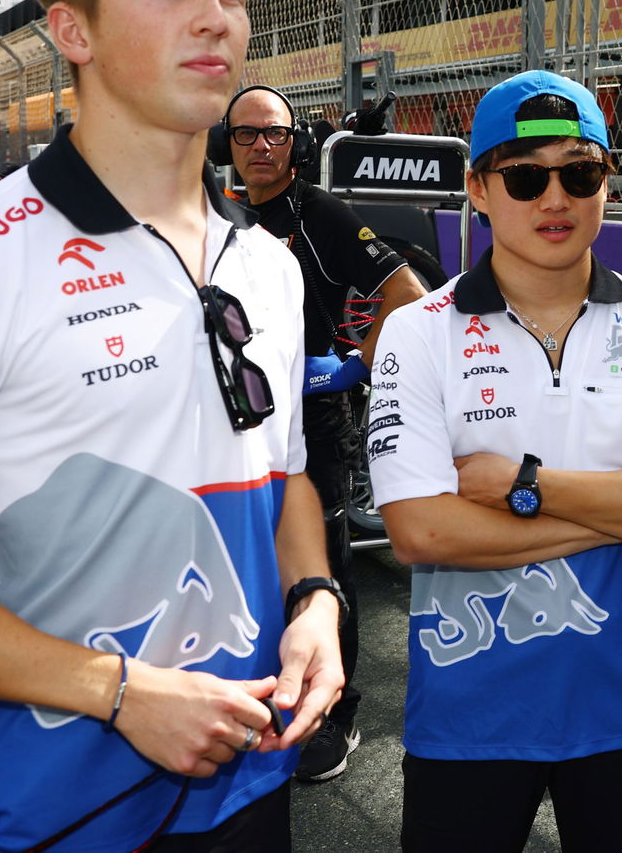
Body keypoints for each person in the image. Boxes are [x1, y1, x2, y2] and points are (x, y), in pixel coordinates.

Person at [0, 0, 343, 852]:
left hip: (249, 789)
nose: (214, 17)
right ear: (70, 32)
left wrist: (317, 600)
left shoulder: (267, 267)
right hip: (49, 815)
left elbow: (283, 474)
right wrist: (119, 693)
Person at [367, 69, 622, 852]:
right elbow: (422, 533)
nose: (555, 198)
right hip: (467, 721)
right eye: (527, 177)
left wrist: (524, 487)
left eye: (580, 172)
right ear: (478, 189)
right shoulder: (418, 332)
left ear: (607, 179)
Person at [222, 82, 426, 782]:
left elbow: (410, 297)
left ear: (298, 145)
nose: (260, 146)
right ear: (226, 145)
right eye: (245, 135)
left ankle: (336, 715)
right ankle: (266, 695)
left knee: (326, 572)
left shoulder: (322, 214)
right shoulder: (216, 218)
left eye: (274, 134)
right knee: (250, 563)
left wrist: (350, 367)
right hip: (239, 420)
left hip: (314, 422)